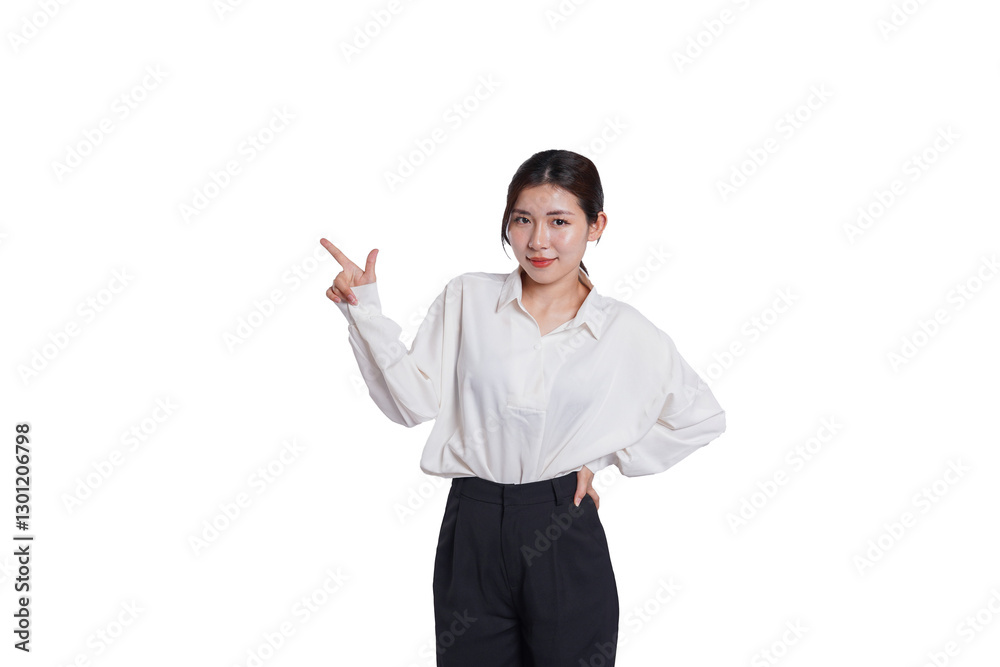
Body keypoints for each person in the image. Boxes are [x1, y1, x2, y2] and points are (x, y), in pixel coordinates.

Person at [322, 149, 727, 666]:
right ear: (507, 224)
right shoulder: (468, 297)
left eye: (560, 221)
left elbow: (702, 417)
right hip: (471, 522)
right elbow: (412, 404)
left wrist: (603, 460)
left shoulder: (624, 331)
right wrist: (366, 315)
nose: (538, 241)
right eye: (523, 220)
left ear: (596, 225)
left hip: (562, 524)